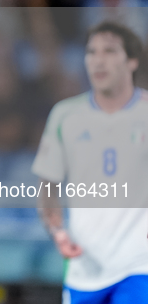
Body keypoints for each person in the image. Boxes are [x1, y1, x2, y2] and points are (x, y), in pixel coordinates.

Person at [33, 21, 148, 303]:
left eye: (109, 51)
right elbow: (48, 188)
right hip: (83, 267)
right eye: (91, 52)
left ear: (132, 60)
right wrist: (57, 231)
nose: (98, 60)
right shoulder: (65, 116)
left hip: (139, 266)